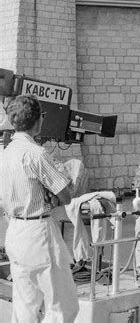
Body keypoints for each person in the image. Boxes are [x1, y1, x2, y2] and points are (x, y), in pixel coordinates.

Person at [0, 95, 79, 323]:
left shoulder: (4, 155)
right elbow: (66, 195)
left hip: (14, 232)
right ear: (38, 120)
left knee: (25, 306)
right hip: (39, 234)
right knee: (63, 306)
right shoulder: (37, 154)